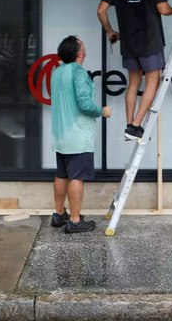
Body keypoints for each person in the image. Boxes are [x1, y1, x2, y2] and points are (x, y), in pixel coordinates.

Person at [97, 0, 172, 141]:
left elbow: (101, 10)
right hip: (150, 41)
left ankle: (129, 126)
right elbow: (163, 9)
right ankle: (136, 126)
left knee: (134, 82)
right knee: (153, 79)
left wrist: (110, 31)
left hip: (129, 42)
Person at [50, 35, 112, 233]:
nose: (85, 47)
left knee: (62, 174)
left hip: (60, 133)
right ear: (79, 52)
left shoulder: (57, 72)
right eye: (82, 45)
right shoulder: (78, 72)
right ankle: (75, 220)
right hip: (77, 135)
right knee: (76, 177)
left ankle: (59, 214)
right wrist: (102, 111)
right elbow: (84, 104)